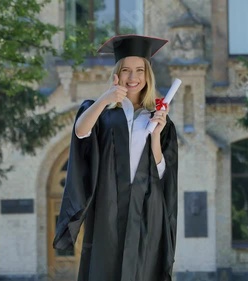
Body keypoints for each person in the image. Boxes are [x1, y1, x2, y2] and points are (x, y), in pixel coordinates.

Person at [53, 34, 178, 281]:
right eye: (127, 71)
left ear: (147, 74)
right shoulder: (104, 113)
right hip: (108, 207)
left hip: (146, 208)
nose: (133, 77)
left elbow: (163, 174)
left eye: (140, 70)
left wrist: (155, 137)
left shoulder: (158, 119)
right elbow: (80, 131)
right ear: (117, 74)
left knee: (144, 271)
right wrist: (106, 98)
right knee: (106, 269)